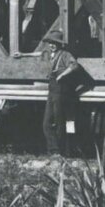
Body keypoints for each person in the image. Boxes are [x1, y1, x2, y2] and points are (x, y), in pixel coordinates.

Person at [37, 27, 84, 157]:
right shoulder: (50, 54)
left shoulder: (65, 54)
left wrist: (62, 75)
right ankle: (53, 149)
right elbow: (40, 54)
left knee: (59, 121)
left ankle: (60, 151)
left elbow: (74, 65)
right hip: (52, 89)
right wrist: (23, 55)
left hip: (61, 90)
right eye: (50, 43)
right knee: (46, 123)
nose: (52, 45)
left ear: (59, 44)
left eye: (55, 43)